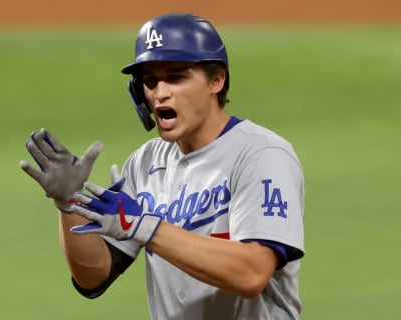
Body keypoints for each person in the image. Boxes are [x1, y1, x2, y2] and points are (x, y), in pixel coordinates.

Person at [20, 12, 305, 320]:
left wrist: (146, 227)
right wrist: (68, 204)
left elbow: (251, 274)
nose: (160, 93)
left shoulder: (261, 154)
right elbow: (94, 275)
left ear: (216, 80)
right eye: (151, 81)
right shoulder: (145, 163)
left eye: (176, 77)